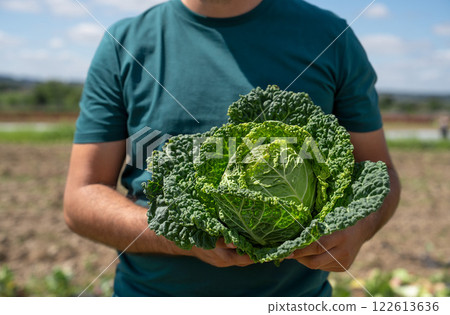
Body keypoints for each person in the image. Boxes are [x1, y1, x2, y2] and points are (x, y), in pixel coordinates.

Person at [64, 0, 400, 296]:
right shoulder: (125, 43)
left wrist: (358, 228)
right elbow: (82, 197)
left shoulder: (331, 37)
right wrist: (183, 238)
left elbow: (378, 174)